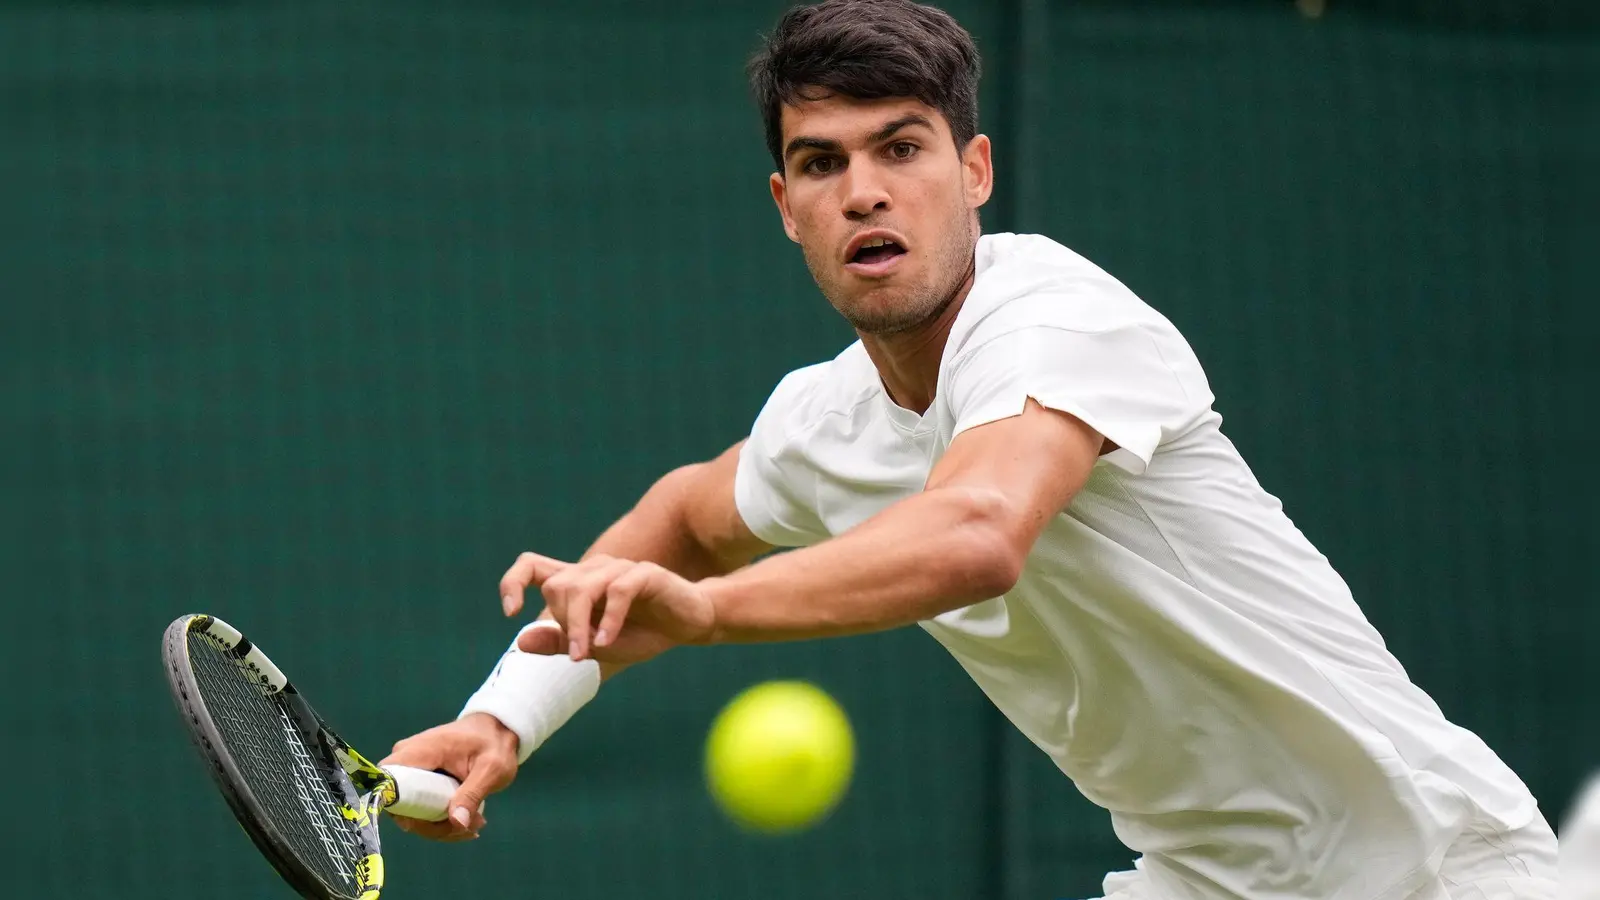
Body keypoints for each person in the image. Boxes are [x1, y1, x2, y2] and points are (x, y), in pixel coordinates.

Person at [381, 1, 1558, 897]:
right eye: (823, 163)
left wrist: (707, 615)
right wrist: (504, 718)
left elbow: (978, 533)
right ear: (784, 205)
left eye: (902, 149)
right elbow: (687, 519)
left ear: (974, 172)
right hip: (1201, 877)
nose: (864, 192)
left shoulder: (1053, 313)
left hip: (1431, 869)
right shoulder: (825, 420)